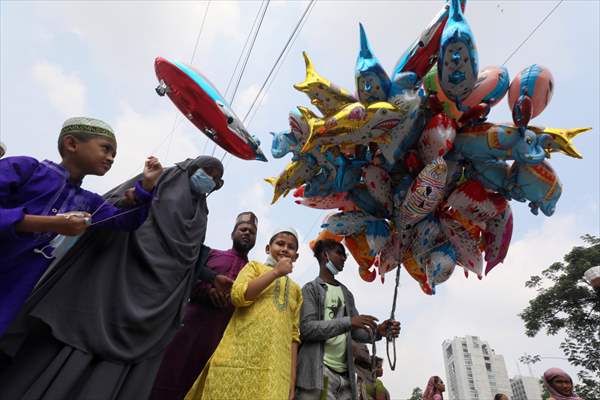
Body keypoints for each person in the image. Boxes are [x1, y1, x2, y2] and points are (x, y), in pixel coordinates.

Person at [0, 155, 224, 400]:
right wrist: (135, 199)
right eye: (207, 172)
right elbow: (105, 212)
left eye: (215, 178)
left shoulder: (200, 215)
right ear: (189, 169)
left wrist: (210, 276)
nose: (209, 179)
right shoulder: (158, 182)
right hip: (110, 286)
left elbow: (187, 258)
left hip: (154, 306)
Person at [0, 116, 162, 336]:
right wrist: (51, 224)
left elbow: (125, 222)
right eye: (106, 149)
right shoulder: (25, 168)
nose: (111, 158)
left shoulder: (88, 201)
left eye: (114, 154)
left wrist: (145, 189)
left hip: (14, 282)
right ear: (72, 144)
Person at [150, 211, 259, 400]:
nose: (247, 233)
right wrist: (208, 290)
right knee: (166, 376)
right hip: (187, 328)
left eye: (252, 231)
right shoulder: (210, 254)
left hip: (220, 340)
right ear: (232, 233)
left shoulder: (255, 273)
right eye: (243, 229)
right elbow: (185, 278)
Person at [185, 227, 303, 400]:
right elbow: (238, 296)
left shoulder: (296, 290)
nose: (285, 248)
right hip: (239, 358)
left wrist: (291, 382)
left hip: (277, 370)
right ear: (268, 249)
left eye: (291, 247)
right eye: (280, 243)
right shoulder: (254, 267)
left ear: (296, 256)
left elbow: (294, 335)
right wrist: (276, 272)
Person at [295, 239, 401, 400]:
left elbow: (356, 333)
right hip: (318, 375)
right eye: (340, 253)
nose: (344, 258)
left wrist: (378, 331)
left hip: (345, 378)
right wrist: (348, 322)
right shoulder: (310, 290)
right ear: (325, 255)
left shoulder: (346, 293)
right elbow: (307, 329)